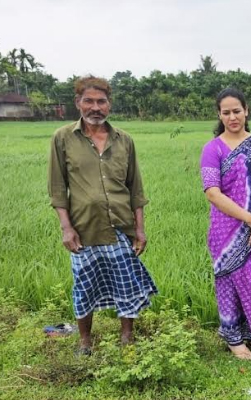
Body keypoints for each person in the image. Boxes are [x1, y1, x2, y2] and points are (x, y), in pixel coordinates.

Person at [48, 75, 157, 354]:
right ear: (78, 103)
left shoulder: (124, 140)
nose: (95, 107)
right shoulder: (63, 138)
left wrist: (140, 229)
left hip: (121, 227)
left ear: (109, 105)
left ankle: (127, 337)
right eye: (89, 101)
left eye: (101, 101)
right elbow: (58, 188)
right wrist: (66, 228)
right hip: (84, 229)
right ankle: (85, 341)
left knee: (126, 283)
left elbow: (136, 189)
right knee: (84, 285)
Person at [200, 87, 251, 360]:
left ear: (246, 111)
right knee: (229, 285)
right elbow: (212, 192)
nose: (232, 117)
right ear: (219, 115)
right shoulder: (212, 149)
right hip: (226, 231)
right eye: (226, 112)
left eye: (237, 111)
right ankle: (234, 340)